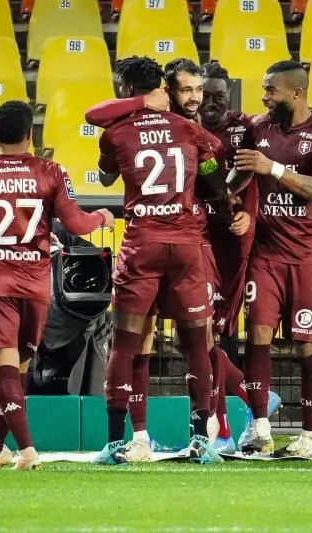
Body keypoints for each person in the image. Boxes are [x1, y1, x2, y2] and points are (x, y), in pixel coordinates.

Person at [0, 100, 114, 470]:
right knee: (17, 370)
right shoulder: (52, 171)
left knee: (5, 370)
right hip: (37, 285)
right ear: (31, 135)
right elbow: (76, 224)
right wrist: (101, 217)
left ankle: (27, 449)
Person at [89, 56, 228, 466]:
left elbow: (105, 175)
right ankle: (200, 440)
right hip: (186, 245)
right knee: (196, 343)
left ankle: (116, 444)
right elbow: (213, 157)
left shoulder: (116, 132)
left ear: (124, 89)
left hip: (142, 244)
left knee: (126, 343)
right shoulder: (189, 128)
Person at [230, 60, 312, 458]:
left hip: (307, 257)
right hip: (265, 255)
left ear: (297, 92)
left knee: (306, 344)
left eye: (271, 90)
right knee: (257, 336)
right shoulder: (257, 128)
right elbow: (238, 174)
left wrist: (273, 168)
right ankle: (259, 430)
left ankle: (311, 437)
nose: (264, 97)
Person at [0, 223, 112, 397]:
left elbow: (95, 265)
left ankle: (95, 404)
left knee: (101, 320)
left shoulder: (59, 232)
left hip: (61, 319)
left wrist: (63, 251)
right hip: (10, 319)